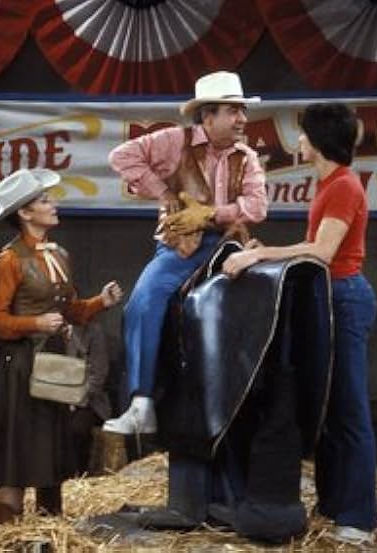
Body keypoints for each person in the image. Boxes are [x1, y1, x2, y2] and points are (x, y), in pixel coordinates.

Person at [222, 102, 377, 546]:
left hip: (345, 298)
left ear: (320, 139)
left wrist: (258, 255)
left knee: (349, 410)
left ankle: (359, 518)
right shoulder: (329, 184)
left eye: (305, 133)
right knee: (327, 408)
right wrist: (263, 249)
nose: (300, 141)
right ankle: (333, 503)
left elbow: (322, 252)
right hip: (326, 298)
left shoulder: (344, 187)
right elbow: (313, 248)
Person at [103, 71, 268, 435]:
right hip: (181, 248)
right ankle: (142, 402)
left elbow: (257, 208)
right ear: (208, 116)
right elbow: (121, 156)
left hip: (227, 245)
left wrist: (211, 213)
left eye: (242, 110)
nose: (242, 119)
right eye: (232, 110)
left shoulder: (248, 156)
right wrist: (165, 194)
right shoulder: (173, 141)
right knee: (143, 302)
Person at [0, 168, 123, 523]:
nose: (52, 204)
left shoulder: (58, 255)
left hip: (53, 363)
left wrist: (98, 303)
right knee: (16, 448)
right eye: (44, 200)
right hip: (19, 366)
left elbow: (69, 309)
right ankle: (8, 528)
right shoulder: (9, 261)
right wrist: (35, 323)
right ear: (25, 213)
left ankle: (50, 527)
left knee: (49, 447)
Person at [63, 321, 112, 475]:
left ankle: (78, 473)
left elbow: (98, 376)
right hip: (54, 398)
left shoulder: (93, 331)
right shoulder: (42, 330)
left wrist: (74, 399)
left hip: (88, 401)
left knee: (76, 428)